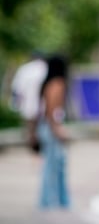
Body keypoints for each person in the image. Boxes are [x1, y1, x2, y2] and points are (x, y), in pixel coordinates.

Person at [37, 55, 71, 210]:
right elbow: (51, 109)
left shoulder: (49, 83)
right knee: (53, 166)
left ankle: (57, 200)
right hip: (51, 128)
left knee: (54, 165)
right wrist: (57, 129)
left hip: (48, 127)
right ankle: (49, 201)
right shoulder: (57, 84)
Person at [10, 51, 47, 153]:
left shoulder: (25, 69)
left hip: (28, 105)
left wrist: (16, 104)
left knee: (30, 128)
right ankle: (39, 147)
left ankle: (33, 147)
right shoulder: (45, 68)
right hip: (42, 105)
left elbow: (17, 88)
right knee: (41, 127)